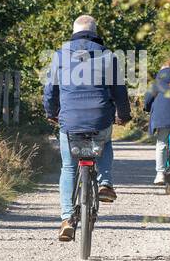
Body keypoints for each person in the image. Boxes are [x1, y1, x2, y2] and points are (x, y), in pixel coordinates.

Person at [43, 14, 131, 241]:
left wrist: (51, 113)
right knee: (106, 139)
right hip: (100, 117)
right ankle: (105, 183)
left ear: (74, 32)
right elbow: (119, 91)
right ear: (95, 32)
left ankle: (66, 219)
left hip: (69, 120)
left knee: (69, 168)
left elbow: (50, 90)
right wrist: (123, 116)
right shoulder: (109, 56)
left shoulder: (60, 55)